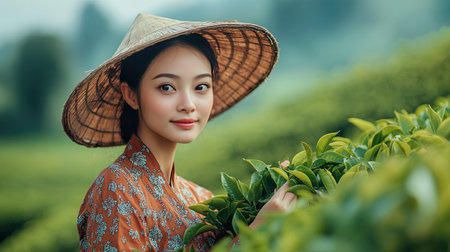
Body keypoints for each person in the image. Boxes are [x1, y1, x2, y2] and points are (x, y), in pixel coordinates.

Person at [62, 13, 296, 251]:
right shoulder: (116, 190)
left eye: (201, 87)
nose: (188, 103)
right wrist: (257, 232)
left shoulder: (201, 199)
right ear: (131, 94)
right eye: (167, 87)